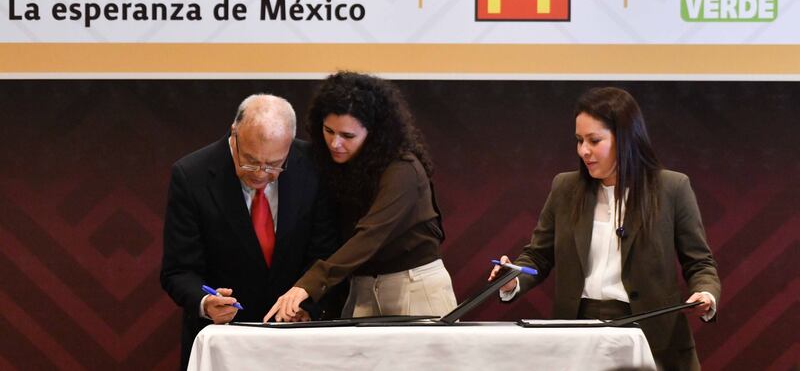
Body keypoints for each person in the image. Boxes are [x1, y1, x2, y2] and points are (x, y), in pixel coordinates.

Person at [489, 87, 720, 371]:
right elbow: (538, 256)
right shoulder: (565, 188)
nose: (584, 150)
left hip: (652, 338)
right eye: (579, 141)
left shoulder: (671, 188)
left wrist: (706, 294)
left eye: (594, 140)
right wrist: (514, 279)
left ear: (625, 138)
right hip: (578, 334)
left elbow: (700, 264)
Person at [160, 94, 339, 370]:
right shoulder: (191, 175)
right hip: (227, 343)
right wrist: (206, 302)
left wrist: (309, 305)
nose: (260, 173)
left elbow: (325, 254)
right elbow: (178, 271)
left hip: (299, 342)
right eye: (250, 161)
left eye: (274, 165)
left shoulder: (314, 166)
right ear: (235, 134)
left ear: (289, 145)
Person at [264, 71, 457, 322]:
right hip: (360, 288)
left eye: (347, 136)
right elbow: (328, 239)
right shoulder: (327, 163)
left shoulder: (403, 168)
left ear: (374, 133)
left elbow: (371, 234)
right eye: (328, 130)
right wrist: (312, 304)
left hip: (414, 288)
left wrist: (308, 285)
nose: (334, 143)